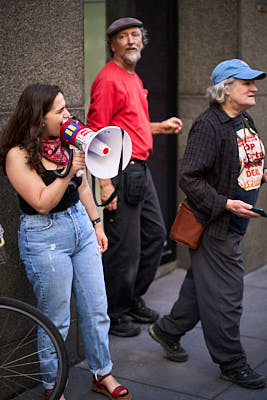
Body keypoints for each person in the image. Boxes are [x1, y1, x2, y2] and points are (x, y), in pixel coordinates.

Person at [0, 84, 132, 400]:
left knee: (97, 308)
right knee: (55, 319)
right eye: (59, 110)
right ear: (38, 117)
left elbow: (82, 188)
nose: (67, 115)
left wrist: (96, 224)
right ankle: (53, 386)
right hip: (45, 238)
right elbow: (42, 202)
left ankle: (103, 374)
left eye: (66, 108)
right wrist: (67, 170)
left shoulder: (64, 144)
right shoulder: (17, 155)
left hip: (81, 230)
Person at [149, 59, 267, 389]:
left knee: (202, 290)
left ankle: (166, 330)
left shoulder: (244, 118)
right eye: (247, 83)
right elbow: (189, 177)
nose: (254, 87)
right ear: (225, 89)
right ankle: (232, 362)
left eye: (254, 82)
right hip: (216, 226)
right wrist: (224, 203)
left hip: (233, 226)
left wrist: (261, 174)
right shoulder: (208, 125)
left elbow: (242, 163)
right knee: (227, 297)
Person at [87, 17, 183, 337]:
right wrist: (104, 182)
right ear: (112, 45)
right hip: (119, 169)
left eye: (135, 36)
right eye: (123, 37)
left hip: (140, 168)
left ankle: (131, 300)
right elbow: (97, 131)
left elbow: (129, 123)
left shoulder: (132, 75)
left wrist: (158, 127)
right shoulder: (107, 79)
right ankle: (113, 312)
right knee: (123, 247)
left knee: (155, 236)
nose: (131, 41)